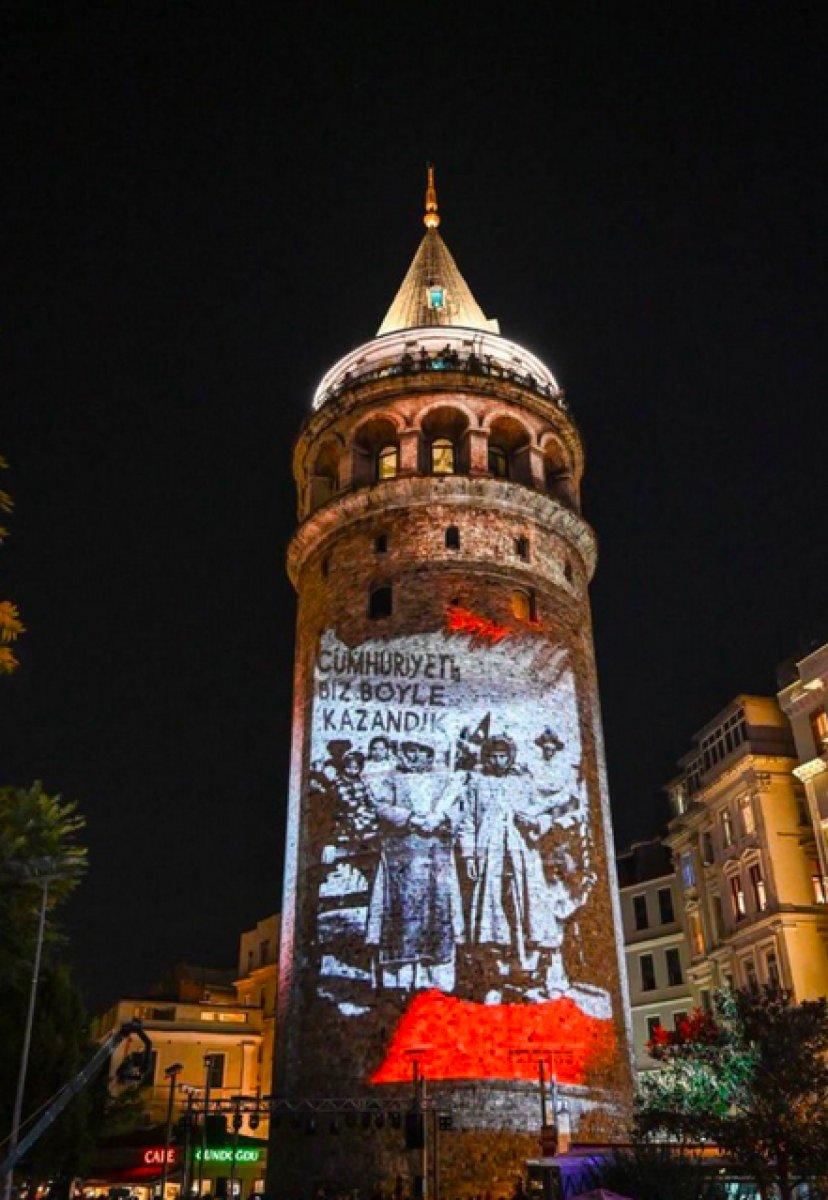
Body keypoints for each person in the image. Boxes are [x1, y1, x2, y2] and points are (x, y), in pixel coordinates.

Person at [460, 735, 572, 1001]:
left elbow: (543, 813)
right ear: (486, 757)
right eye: (493, 756)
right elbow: (467, 822)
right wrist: (469, 856)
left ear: (510, 757)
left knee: (525, 909)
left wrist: (534, 823)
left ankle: (527, 976)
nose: (498, 761)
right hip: (490, 855)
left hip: (522, 854)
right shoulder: (477, 784)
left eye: (502, 755)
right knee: (493, 912)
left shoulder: (523, 783)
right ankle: (494, 979)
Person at [366, 739, 465, 992]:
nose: (415, 755)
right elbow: (380, 806)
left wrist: (439, 818)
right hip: (402, 856)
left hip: (435, 857)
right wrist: (410, 819)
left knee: (437, 909)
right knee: (402, 910)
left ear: (430, 754)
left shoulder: (445, 780)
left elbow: (457, 810)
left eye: (421, 751)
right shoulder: (390, 779)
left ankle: (432, 981)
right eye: (410, 750)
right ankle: (400, 980)